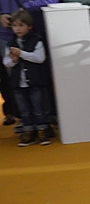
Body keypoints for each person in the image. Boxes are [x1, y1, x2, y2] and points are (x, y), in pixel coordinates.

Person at [0, 0, 58, 128]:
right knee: (14, 81)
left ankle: (45, 117)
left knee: (40, 80)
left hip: (33, 39)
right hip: (7, 38)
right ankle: (24, 118)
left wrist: (27, 7)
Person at [3, 9, 53, 146]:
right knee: (24, 110)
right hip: (18, 84)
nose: (17, 29)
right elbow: (6, 62)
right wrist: (13, 60)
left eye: (21, 25)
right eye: (15, 26)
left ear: (29, 26)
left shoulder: (36, 40)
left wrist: (21, 54)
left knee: (38, 108)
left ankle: (42, 129)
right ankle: (29, 131)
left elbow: (39, 58)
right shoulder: (10, 44)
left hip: (35, 82)